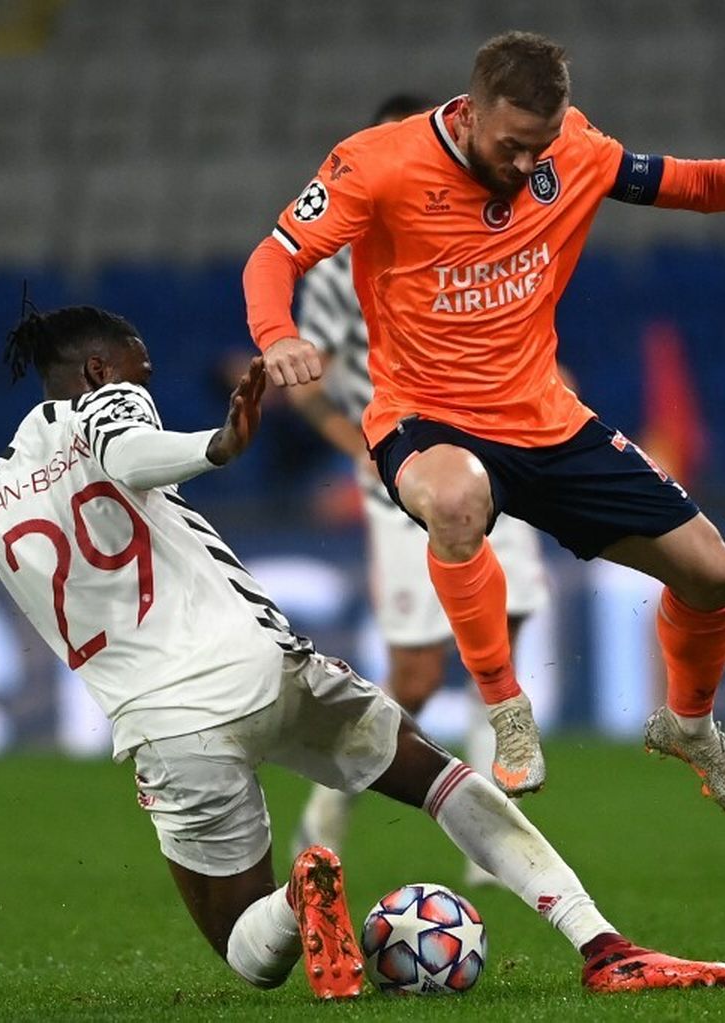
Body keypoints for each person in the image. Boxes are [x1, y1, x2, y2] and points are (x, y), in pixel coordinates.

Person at [0, 306, 725, 997]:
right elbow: (130, 448)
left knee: (250, 956)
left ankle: (300, 898)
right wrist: (218, 445)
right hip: (264, 663)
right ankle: (603, 944)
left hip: (170, 727)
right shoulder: (102, 404)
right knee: (439, 777)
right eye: (139, 362)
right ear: (98, 369)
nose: (146, 371)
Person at [243, 31, 725, 806]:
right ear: (469, 114)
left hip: (545, 420)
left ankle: (689, 724)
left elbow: (684, 183)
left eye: (542, 144)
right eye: (513, 146)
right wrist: (278, 335)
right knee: (454, 500)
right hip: (425, 418)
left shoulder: (573, 148)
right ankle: (507, 710)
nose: (528, 163)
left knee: (713, 570)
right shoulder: (378, 162)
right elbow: (275, 255)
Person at [287, 92, 547, 873]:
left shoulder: (478, 225)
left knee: (502, 643)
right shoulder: (336, 264)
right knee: (418, 674)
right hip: (402, 474)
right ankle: (332, 796)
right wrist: (357, 446)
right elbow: (309, 380)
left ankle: (492, 848)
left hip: (494, 458)